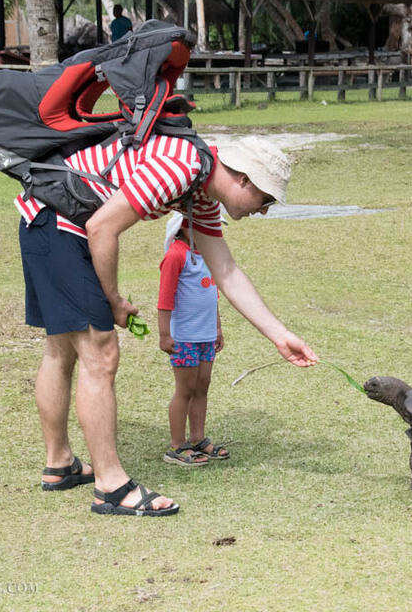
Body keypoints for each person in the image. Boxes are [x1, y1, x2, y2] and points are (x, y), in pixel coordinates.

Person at [16, 134, 317, 517]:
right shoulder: (182, 166)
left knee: (61, 349)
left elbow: (225, 271)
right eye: (266, 199)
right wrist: (113, 301)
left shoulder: (202, 194)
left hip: (48, 217)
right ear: (244, 179)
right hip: (59, 223)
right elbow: (101, 228)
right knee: (101, 353)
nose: (264, 211)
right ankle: (111, 486)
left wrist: (279, 335)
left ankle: (60, 463)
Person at [157, 213, 228, 467]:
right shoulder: (176, 255)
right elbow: (165, 298)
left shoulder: (208, 255)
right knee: (185, 390)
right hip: (184, 338)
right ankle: (177, 445)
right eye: (205, 227)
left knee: (202, 387)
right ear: (185, 227)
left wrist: (217, 327)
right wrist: (165, 334)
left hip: (206, 336)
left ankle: (197, 438)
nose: (212, 232)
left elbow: (213, 292)